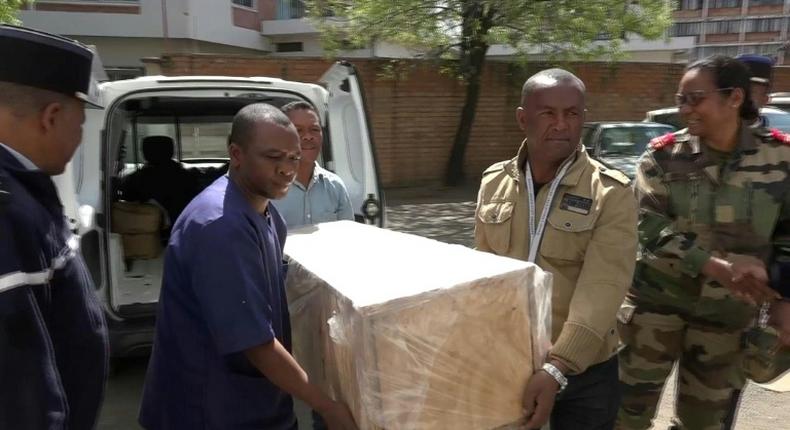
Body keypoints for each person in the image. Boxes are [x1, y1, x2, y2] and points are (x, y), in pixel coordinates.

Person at [138, 103, 357, 430]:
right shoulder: (220, 225)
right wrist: (327, 406)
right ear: (237, 154)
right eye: (273, 157)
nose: (287, 169)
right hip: (208, 411)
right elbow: (254, 341)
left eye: (294, 158)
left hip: (252, 403)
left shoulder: (267, 216)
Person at [617, 55, 790, 430]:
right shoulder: (663, 155)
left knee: (705, 424)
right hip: (655, 309)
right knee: (623, 417)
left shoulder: (781, 157)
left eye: (694, 98)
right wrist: (713, 266)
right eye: (681, 99)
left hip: (728, 321)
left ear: (734, 98)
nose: (685, 110)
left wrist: (784, 300)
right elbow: (646, 226)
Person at [475, 68, 638, 430]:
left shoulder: (611, 192)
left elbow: (603, 290)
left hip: (583, 374)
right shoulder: (493, 183)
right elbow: (482, 277)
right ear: (523, 119)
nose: (561, 124)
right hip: (509, 364)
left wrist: (558, 367)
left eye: (572, 113)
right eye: (548, 113)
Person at [0, 25, 108, 429]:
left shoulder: (23, 188)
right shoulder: (7, 212)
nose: (80, 137)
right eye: (81, 124)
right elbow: (19, 395)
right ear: (52, 117)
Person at [723, 53, 790, 430]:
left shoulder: (781, 154)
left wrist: (785, 299)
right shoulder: (698, 146)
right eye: (740, 89)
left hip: (748, 297)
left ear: (765, 96)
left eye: (755, 90)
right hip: (685, 293)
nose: (746, 98)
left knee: (727, 388)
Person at [274, 101, 354, 228]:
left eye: (315, 129)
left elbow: (348, 237)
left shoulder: (335, 186)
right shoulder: (265, 190)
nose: (308, 137)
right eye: (298, 130)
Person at [119, 135, 196, 230]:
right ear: (171, 150)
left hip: (146, 235)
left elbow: (128, 207)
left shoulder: (134, 180)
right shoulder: (188, 178)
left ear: (145, 152)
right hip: (185, 230)